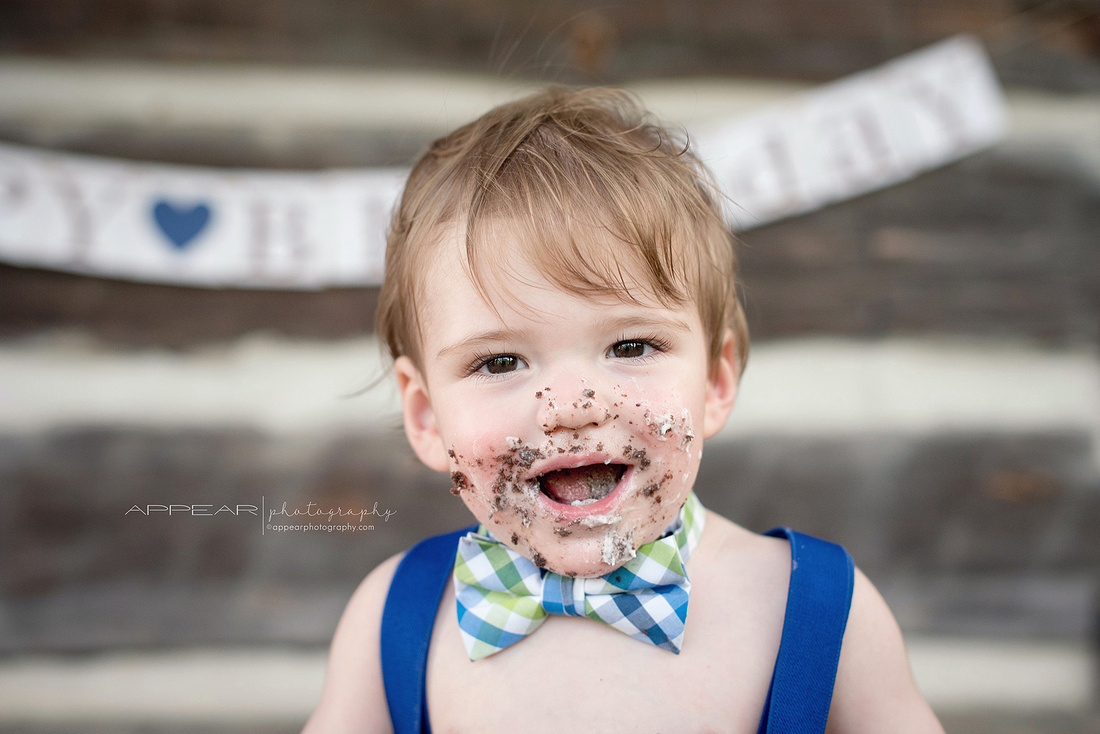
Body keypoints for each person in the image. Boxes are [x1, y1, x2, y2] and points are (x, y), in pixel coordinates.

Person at [304, 86, 943, 733]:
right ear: (427, 418)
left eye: (630, 345)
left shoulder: (816, 613)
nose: (569, 410)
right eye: (500, 362)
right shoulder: (395, 618)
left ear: (716, 381)